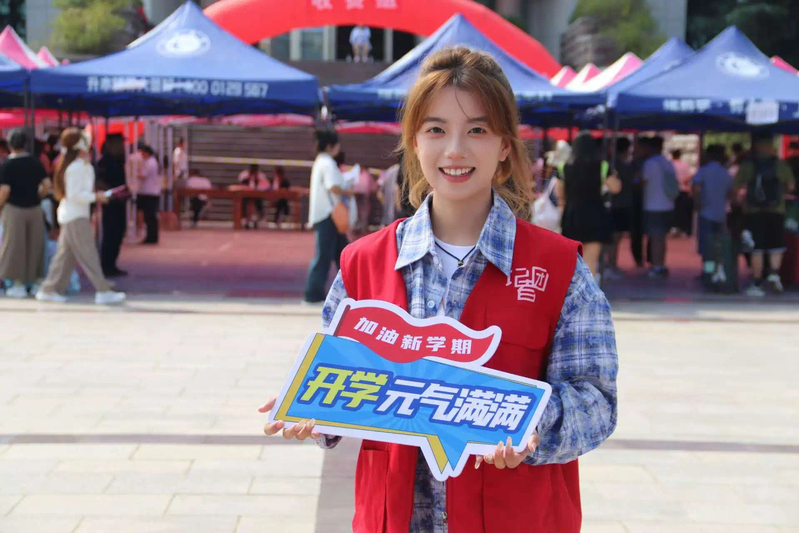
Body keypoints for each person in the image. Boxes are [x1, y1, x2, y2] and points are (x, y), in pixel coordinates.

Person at [265, 47, 618, 532]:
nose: (455, 150)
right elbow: (340, 379)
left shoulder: (559, 270)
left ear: (505, 146)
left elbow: (596, 401)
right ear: (414, 142)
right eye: (436, 129)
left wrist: (527, 424)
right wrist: (310, 409)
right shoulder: (363, 264)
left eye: (477, 130)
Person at [35, 129, 126, 305]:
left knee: (64, 257)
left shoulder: (78, 165)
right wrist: (96, 196)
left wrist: (96, 195)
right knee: (88, 254)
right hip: (75, 216)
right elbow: (74, 194)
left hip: (74, 214)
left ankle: (49, 289)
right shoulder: (76, 167)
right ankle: (103, 290)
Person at [733, 132, 796, 296]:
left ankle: (757, 282)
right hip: (777, 211)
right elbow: (791, 186)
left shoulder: (748, 165)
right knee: (776, 244)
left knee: (756, 247)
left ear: (755, 146)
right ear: (771, 146)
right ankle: (774, 275)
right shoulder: (781, 165)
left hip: (754, 212)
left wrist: (740, 202)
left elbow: (736, 187)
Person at [303, 130, 354, 304]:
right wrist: (348, 191)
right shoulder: (327, 163)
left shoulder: (321, 161)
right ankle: (313, 293)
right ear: (332, 146)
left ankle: (350, 291)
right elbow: (333, 187)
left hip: (327, 215)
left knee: (342, 255)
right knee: (325, 256)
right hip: (329, 216)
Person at [556, 131, 615, 279]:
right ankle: (590, 290)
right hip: (595, 214)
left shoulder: (564, 167)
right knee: (591, 260)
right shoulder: (602, 166)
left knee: (572, 259)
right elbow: (616, 187)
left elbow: (559, 192)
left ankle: (572, 289)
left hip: (572, 215)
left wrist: (562, 206)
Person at [0, 129, 50, 298]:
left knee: (14, 246)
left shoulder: (7, 164)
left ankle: (17, 283)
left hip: (14, 208)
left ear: (10, 144)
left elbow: (4, 191)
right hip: (34, 208)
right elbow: (47, 184)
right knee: (35, 246)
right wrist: (38, 195)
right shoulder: (35, 162)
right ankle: (35, 282)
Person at [693, 144, 734, 284]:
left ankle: (708, 271)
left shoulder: (704, 171)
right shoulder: (725, 172)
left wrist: (697, 202)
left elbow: (696, 186)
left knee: (706, 246)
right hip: (721, 213)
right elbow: (730, 192)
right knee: (719, 245)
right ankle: (718, 269)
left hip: (706, 212)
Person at [642, 136, 676, 280]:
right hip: (667, 205)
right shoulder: (667, 162)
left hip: (653, 205)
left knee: (655, 237)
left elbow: (643, 181)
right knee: (661, 238)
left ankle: (656, 266)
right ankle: (661, 264)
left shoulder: (650, 163)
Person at [96, 134, 128, 277]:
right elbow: (99, 182)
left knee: (118, 232)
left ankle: (112, 264)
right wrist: (112, 192)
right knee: (110, 233)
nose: (122, 146)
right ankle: (106, 265)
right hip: (110, 202)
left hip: (119, 202)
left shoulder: (118, 160)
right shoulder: (105, 161)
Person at [606, 137, 634, 278]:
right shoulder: (616, 165)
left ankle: (611, 265)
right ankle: (610, 265)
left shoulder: (614, 164)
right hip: (617, 205)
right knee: (614, 238)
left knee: (615, 237)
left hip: (618, 205)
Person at [136, 144, 161, 245]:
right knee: (150, 216)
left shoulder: (149, 163)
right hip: (150, 192)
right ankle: (152, 236)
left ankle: (151, 237)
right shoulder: (152, 162)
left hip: (149, 192)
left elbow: (143, 175)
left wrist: (134, 174)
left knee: (149, 217)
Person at [671, 149, 694, 237]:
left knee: (674, 211)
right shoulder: (685, 165)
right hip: (683, 190)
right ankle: (683, 229)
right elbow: (688, 177)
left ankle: (674, 228)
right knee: (683, 210)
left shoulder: (670, 165)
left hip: (673, 191)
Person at [238, 164, 268, 229]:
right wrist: (248, 178)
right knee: (243, 202)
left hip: (257, 195)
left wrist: (258, 179)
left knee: (258, 201)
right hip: (246, 195)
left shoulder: (261, 176)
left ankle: (257, 219)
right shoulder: (244, 175)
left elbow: (265, 185)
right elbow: (240, 184)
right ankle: (244, 220)